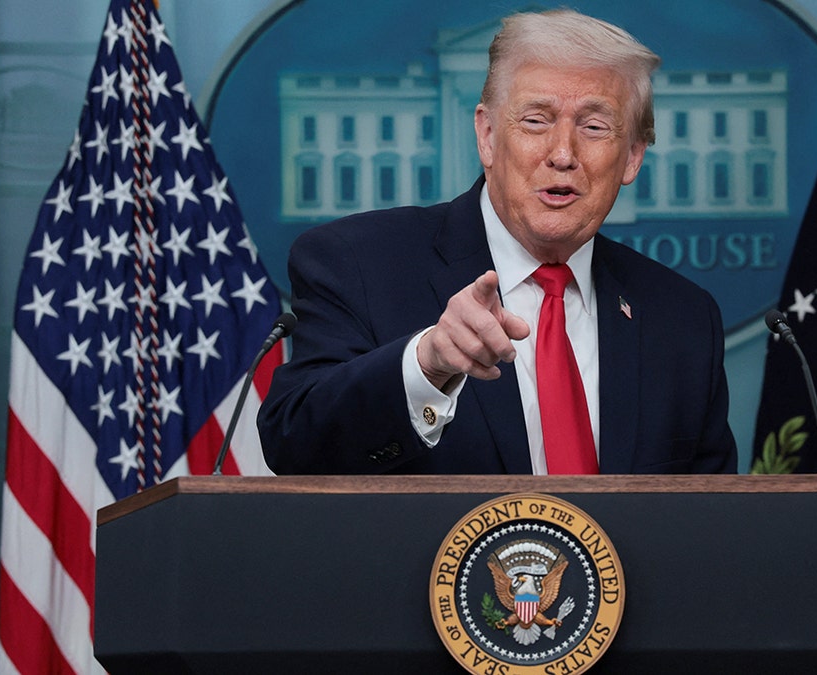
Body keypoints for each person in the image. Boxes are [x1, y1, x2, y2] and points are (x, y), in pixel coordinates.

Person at [257, 9, 737, 475]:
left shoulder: (685, 319)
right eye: (536, 120)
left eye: (594, 127)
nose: (563, 154)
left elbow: (708, 528)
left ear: (632, 157)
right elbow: (293, 445)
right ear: (487, 135)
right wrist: (427, 364)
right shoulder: (356, 262)